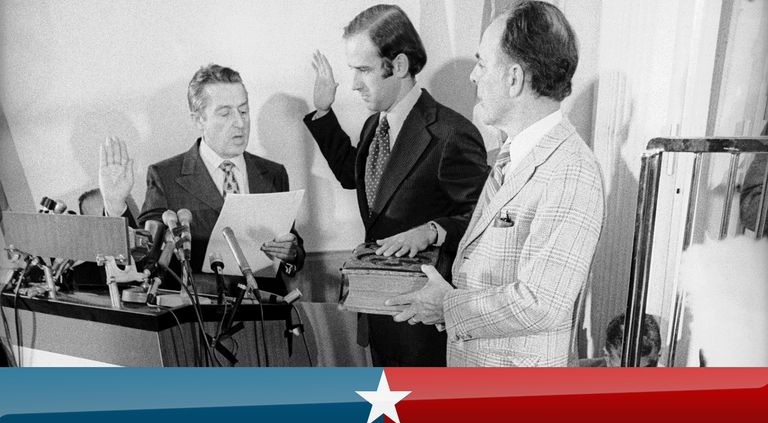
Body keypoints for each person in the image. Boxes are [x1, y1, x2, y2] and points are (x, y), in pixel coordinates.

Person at [387, 1, 605, 367]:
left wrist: (448, 305)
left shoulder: (571, 170)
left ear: (514, 78)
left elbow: (542, 303)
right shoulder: (512, 155)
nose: (473, 76)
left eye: (482, 63)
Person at [303, 4, 489, 366]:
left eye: (363, 70)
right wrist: (324, 113)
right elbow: (355, 177)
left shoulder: (451, 134)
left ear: (399, 65)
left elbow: (484, 219)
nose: (354, 83)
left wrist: (433, 231)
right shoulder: (376, 125)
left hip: (428, 329)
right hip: (381, 318)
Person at [100, 64, 305, 293]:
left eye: (244, 111)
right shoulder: (166, 176)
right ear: (198, 120)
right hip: (200, 318)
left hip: (268, 313)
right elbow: (148, 257)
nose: (239, 122)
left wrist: (291, 254)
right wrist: (116, 205)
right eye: (225, 113)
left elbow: (291, 254)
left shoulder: (273, 173)